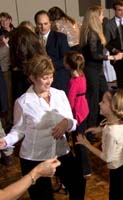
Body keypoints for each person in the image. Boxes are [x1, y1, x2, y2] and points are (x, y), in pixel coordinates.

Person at [0, 54, 86, 200]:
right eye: (44, 77)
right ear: (33, 78)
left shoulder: (60, 95)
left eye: (51, 76)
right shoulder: (23, 102)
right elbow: (19, 130)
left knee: (78, 183)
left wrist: (67, 123)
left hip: (60, 151)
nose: (49, 81)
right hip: (34, 158)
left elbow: (72, 122)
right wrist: (6, 141)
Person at [76, 89, 123, 200]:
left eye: (103, 102)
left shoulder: (111, 132)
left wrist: (86, 144)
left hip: (119, 173)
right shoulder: (121, 120)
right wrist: (100, 129)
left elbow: (107, 157)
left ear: (114, 108)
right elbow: (112, 126)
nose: (99, 103)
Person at [80, 5, 123, 128]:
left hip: (97, 70)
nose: (103, 16)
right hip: (91, 70)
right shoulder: (91, 33)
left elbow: (105, 44)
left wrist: (115, 50)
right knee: (94, 100)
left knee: (104, 94)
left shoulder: (96, 31)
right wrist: (112, 57)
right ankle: (91, 127)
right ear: (95, 17)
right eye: (102, 14)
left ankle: (102, 122)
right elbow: (94, 55)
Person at [64, 51, 91, 177]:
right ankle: (84, 167)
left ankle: (84, 169)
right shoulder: (82, 75)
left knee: (79, 141)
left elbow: (70, 100)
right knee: (80, 139)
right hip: (84, 109)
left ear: (69, 65)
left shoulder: (74, 81)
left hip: (78, 112)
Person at [34, 10, 71, 94]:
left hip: (58, 80)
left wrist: (50, 64)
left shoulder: (60, 38)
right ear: (36, 24)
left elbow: (66, 60)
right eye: (40, 24)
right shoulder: (33, 39)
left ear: (50, 23)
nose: (43, 27)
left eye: (45, 24)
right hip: (40, 83)